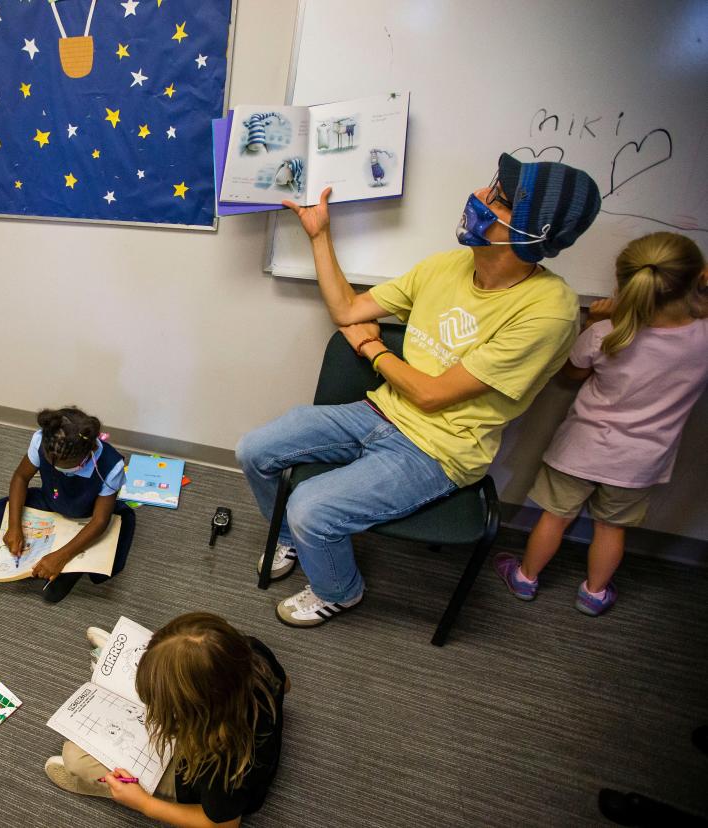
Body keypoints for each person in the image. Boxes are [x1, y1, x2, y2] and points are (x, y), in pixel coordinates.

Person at [237, 152, 601, 627]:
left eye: (499, 199)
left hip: (439, 450)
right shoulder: (446, 266)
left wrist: (373, 350)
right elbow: (349, 311)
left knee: (313, 507)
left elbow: (432, 395)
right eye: (491, 186)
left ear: (533, 233)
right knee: (255, 449)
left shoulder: (548, 312)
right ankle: (288, 536)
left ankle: (340, 591)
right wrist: (319, 236)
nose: (479, 197)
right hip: (380, 411)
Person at [495, 232, 707, 615]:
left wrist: (594, 320)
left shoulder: (606, 333)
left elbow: (570, 376)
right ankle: (594, 593)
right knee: (612, 529)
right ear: (696, 280)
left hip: (580, 450)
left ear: (624, 284)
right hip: (640, 462)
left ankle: (525, 578)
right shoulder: (703, 338)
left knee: (554, 518)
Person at [44, 613, 288, 827]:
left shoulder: (218, 761)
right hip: (213, 720)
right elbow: (286, 686)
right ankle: (150, 668)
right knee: (169, 666)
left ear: (193, 713)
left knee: (75, 758)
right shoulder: (252, 651)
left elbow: (224, 825)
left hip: (198, 772)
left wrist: (144, 804)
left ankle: (104, 786)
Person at [0, 406, 134, 603]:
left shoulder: (110, 465)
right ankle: (55, 567)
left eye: (62, 466)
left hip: (89, 517)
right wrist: (14, 527)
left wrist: (62, 555)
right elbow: (21, 477)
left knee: (108, 555)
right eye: (48, 460)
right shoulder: (42, 440)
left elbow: (99, 521)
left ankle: (55, 563)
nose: (51, 465)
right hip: (51, 502)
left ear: (86, 455)